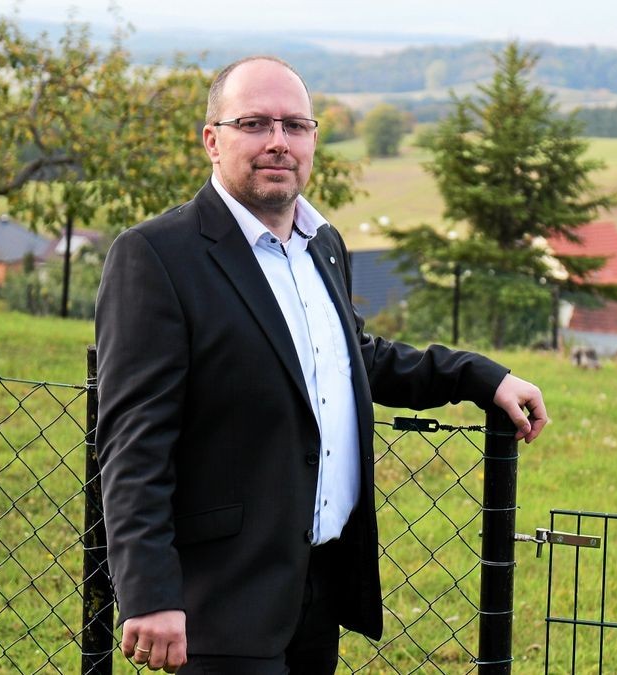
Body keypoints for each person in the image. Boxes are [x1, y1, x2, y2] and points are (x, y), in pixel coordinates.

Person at [94, 55, 548, 674]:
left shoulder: (322, 245)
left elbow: (353, 358)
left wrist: (477, 376)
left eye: (295, 126)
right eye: (254, 124)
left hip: (317, 586)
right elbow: (133, 444)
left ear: (312, 140)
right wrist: (150, 595)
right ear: (212, 140)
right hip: (221, 599)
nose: (277, 142)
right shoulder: (156, 256)